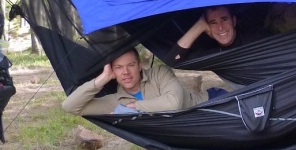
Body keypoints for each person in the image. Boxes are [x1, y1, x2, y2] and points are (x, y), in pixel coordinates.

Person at [62, 48, 207, 116]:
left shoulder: (160, 73)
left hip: (210, 104)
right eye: (118, 68)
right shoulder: (115, 101)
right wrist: (103, 78)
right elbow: (70, 106)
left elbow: (173, 103)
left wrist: (133, 107)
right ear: (113, 72)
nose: (125, 72)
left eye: (130, 65)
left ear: (139, 65)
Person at [164, 5, 270, 66]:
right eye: (213, 23)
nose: (220, 28)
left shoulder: (256, 38)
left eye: (224, 20)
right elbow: (172, 61)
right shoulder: (212, 52)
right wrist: (199, 26)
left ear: (233, 21)